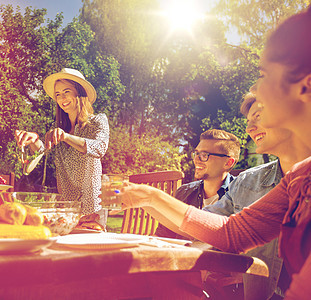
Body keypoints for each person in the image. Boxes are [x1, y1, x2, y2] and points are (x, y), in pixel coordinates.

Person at [111, 6, 311, 299]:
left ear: (306, 85)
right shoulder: (299, 178)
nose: (257, 89)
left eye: (265, 75)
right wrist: (149, 196)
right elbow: (233, 233)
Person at [203, 92, 311, 299]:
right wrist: (150, 199)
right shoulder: (251, 180)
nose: (249, 128)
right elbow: (221, 227)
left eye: (259, 116)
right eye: (248, 120)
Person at [15, 68, 110, 218]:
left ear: (79, 92)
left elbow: (99, 148)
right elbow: (40, 155)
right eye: (58, 94)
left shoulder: (97, 121)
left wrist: (66, 137)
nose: (62, 98)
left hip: (92, 209)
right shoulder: (59, 130)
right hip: (66, 210)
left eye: (66, 92)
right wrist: (33, 141)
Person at [156, 129, 240, 240]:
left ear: (228, 162)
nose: (196, 160)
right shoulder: (184, 192)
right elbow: (162, 235)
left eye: (204, 155)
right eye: (196, 154)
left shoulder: (240, 195)